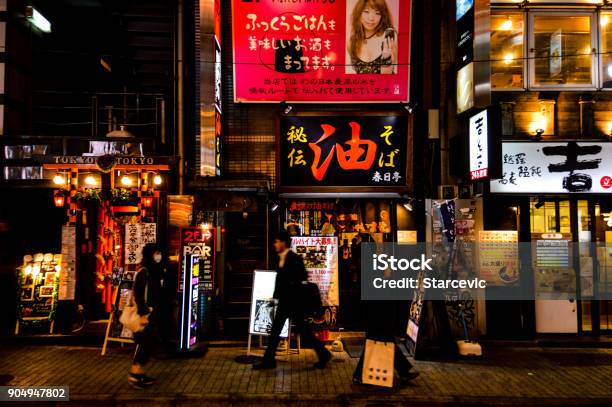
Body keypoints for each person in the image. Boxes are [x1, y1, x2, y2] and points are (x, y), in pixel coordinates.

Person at [253, 231, 332, 370]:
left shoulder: (293, 258)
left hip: (294, 302)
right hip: (286, 302)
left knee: (302, 332)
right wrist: (276, 296)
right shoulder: (281, 258)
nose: (275, 244)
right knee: (277, 331)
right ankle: (269, 360)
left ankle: (323, 353)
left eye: (277, 241)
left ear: (283, 243)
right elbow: (281, 281)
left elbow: (301, 277)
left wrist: (287, 289)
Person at [128, 243, 164, 389]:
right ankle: (134, 374)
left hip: (151, 313)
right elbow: (138, 294)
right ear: (150, 254)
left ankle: (139, 373)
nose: (158, 256)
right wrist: (143, 314)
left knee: (149, 342)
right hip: (145, 314)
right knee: (146, 342)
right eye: (156, 253)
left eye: (159, 253)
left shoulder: (153, 270)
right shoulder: (144, 271)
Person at [347, 0, 398, 74]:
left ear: (382, 16)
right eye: (366, 12)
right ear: (359, 13)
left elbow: (387, 78)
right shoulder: (351, 41)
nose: (371, 18)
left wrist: (386, 59)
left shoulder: (388, 37)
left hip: (383, 84)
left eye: (377, 13)